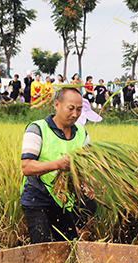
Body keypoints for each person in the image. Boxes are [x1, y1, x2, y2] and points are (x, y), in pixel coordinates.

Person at [20, 87, 93, 244]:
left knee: (70, 247)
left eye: (79, 109)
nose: (75, 114)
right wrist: (58, 164)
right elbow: (27, 167)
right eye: (71, 108)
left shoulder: (81, 133)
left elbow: (85, 165)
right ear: (57, 105)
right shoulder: (37, 129)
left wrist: (85, 184)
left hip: (64, 200)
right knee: (42, 248)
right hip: (37, 197)